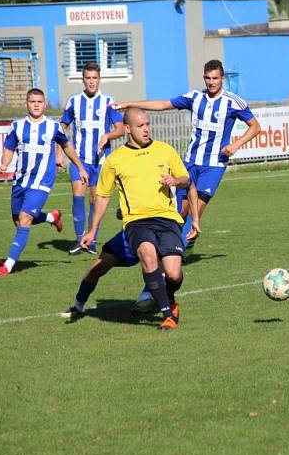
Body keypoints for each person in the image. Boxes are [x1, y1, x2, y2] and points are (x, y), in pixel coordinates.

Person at [112, 59, 261, 310]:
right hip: (189, 163)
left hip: (213, 165)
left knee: (193, 213)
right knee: (176, 215)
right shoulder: (195, 98)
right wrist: (130, 103)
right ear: (204, 78)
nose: (211, 82)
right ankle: (167, 251)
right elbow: (163, 104)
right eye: (207, 78)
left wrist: (235, 145)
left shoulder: (233, 102)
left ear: (222, 79)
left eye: (215, 78)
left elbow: (255, 126)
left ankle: (152, 285)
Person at [76, 107, 199, 330]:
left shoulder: (165, 150)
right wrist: (92, 230)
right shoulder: (114, 160)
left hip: (167, 220)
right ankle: (168, 315)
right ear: (127, 129)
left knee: (173, 274)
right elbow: (102, 198)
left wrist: (175, 180)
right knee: (147, 253)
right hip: (136, 222)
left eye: (148, 124)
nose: (146, 129)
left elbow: (185, 179)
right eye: (141, 126)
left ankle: (169, 298)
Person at [0, 88, 89, 276]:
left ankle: (7, 266)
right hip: (21, 180)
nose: (36, 104)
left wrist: (81, 167)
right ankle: (52, 217)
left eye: (39, 101)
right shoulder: (17, 126)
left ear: (44, 104)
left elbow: (67, 146)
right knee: (17, 220)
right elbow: (9, 147)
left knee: (25, 219)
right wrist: (4, 163)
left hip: (42, 181)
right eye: (32, 101)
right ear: (27, 104)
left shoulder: (53, 127)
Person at [59, 62, 125, 254]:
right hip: (80, 161)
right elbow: (62, 126)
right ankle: (80, 240)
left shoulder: (108, 101)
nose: (91, 82)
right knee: (78, 199)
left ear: (99, 79)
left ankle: (92, 239)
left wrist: (108, 136)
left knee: (95, 201)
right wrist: (58, 151)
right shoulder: (74, 101)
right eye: (88, 78)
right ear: (83, 79)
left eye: (94, 78)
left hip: (101, 161)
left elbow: (120, 129)